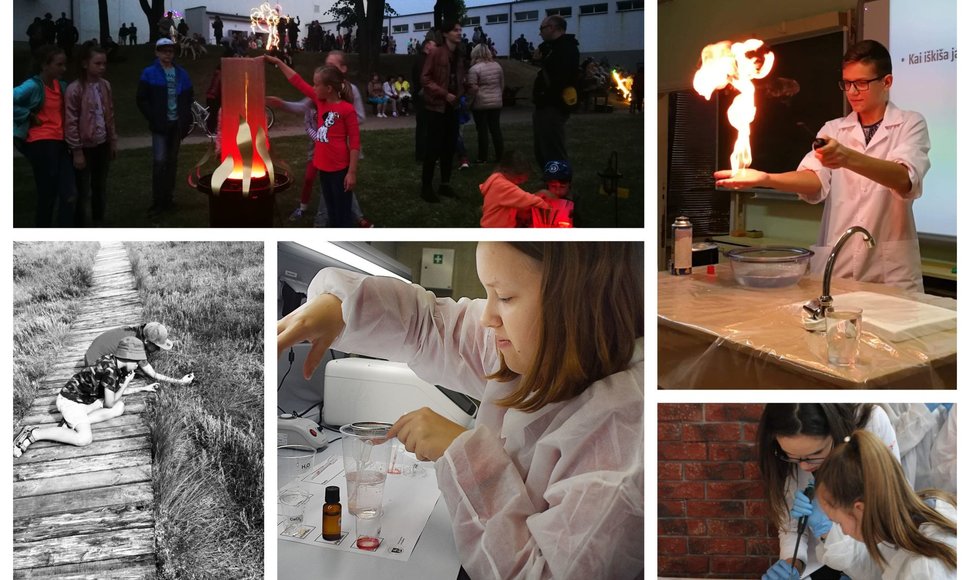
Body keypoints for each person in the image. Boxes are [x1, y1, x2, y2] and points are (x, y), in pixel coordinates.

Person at [277, 242, 644, 578]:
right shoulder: (533, 349)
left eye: (504, 296)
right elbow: (431, 327)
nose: (487, 318)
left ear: (577, 301)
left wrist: (464, 454)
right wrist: (341, 308)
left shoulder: (621, 436)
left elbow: (541, 572)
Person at [714, 40, 931, 293]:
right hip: (840, 268)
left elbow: (904, 178)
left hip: (890, 272)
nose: (852, 92)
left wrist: (846, 157)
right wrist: (765, 178)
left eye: (861, 83)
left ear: (887, 82)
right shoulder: (834, 129)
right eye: (846, 83)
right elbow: (814, 178)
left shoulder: (909, 124)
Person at [758, 404, 900, 580]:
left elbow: (887, 520)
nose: (804, 466)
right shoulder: (780, 457)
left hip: (873, 559)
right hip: (824, 560)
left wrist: (829, 533)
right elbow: (791, 527)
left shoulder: (870, 423)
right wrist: (792, 565)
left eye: (815, 453)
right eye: (791, 456)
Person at [13, 336, 192, 458]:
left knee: (120, 407)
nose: (138, 366)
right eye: (137, 362)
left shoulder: (112, 362)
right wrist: (127, 384)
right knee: (84, 439)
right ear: (129, 358)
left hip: (86, 400)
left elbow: (111, 394)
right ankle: (34, 433)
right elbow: (108, 402)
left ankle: (72, 423)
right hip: (71, 402)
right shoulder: (110, 371)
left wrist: (142, 389)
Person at [813, 430, 957, 580]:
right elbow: (877, 565)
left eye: (838, 522)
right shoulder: (924, 507)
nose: (843, 531)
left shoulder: (926, 570)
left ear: (860, 509)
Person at [275, 51, 372, 227]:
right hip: (324, 169)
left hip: (340, 170)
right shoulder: (320, 102)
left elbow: (355, 143)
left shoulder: (347, 109)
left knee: (342, 214)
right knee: (332, 210)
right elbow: (297, 81)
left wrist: (351, 173)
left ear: (328, 89)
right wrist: (277, 61)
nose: (313, 88)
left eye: (316, 84)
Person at [14, 44, 76, 227]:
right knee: (47, 193)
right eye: (59, 65)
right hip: (40, 143)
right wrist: (28, 115)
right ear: (44, 65)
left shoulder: (61, 86)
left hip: (60, 142)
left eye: (64, 64)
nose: (64, 69)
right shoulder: (32, 86)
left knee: (69, 193)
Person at [136, 38, 194, 215]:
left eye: (170, 51)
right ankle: (158, 201)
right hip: (160, 125)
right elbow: (141, 99)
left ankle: (168, 199)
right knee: (159, 161)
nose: (167, 54)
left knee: (172, 162)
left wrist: (185, 118)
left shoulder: (182, 74)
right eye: (163, 51)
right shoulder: (149, 73)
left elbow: (189, 97)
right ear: (157, 52)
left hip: (176, 124)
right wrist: (153, 117)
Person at [65, 44, 118, 227]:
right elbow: (71, 121)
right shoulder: (75, 89)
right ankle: (79, 224)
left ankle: (98, 220)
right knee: (82, 189)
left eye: (104, 63)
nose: (102, 67)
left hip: (102, 144)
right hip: (84, 147)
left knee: (99, 186)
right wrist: (77, 151)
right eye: (98, 63)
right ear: (85, 64)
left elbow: (109, 114)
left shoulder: (105, 86)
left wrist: (112, 141)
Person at [420, 19, 465, 202]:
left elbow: (459, 78)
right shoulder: (437, 53)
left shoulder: (460, 55)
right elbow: (425, 78)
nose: (459, 33)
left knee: (449, 147)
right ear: (445, 33)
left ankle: (445, 184)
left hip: (452, 108)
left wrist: (468, 87)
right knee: (433, 148)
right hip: (437, 107)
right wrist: (444, 94)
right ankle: (426, 187)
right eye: (455, 30)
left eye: (460, 29)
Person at [480, 151, 548, 228]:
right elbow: (528, 200)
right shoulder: (503, 186)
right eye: (519, 179)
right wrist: (549, 208)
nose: (521, 183)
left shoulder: (497, 178)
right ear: (508, 172)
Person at [467, 43, 505, 164]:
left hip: (480, 103)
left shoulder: (474, 69)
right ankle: (500, 156)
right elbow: (501, 84)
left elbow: (473, 89)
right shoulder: (497, 66)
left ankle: (482, 157)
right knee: (496, 130)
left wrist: (468, 103)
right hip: (496, 102)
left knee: (482, 131)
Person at [412, 39, 435, 162]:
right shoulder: (423, 61)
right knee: (423, 127)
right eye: (433, 45)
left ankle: (424, 153)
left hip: (423, 97)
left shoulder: (422, 60)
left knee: (424, 127)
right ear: (427, 46)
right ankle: (422, 154)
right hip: (424, 98)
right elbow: (423, 80)